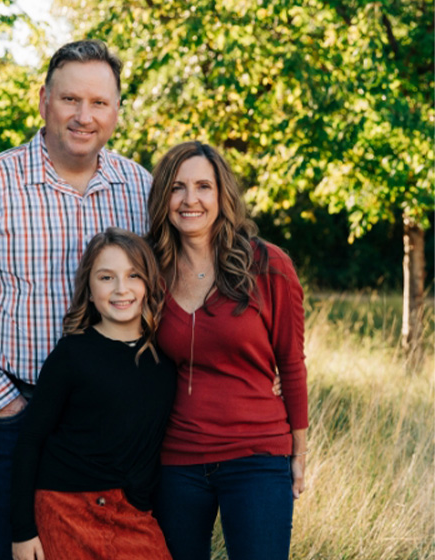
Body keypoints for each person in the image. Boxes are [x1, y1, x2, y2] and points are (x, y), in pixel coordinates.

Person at [0, 40, 153, 560]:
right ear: (44, 99)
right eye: (71, 99)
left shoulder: (140, 187)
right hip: (21, 413)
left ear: (117, 111)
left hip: (117, 419)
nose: (83, 116)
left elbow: (164, 292)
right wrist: (6, 405)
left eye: (99, 103)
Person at [146, 141, 309, 560]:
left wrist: (300, 451)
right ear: (164, 197)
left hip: (257, 458)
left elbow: (291, 364)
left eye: (204, 186)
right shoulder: (150, 271)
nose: (190, 200)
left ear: (222, 196)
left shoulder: (268, 265)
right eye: (177, 188)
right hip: (177, 460)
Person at [10, 227, 175, 560]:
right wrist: (22, 532)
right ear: (88, 287)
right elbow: (30, 441)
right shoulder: (72, 354)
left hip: (133, 514)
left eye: (133, 275)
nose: (121, 289)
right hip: (66, 506)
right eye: (106, 278)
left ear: (148, 284)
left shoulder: (166, 359)